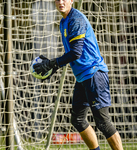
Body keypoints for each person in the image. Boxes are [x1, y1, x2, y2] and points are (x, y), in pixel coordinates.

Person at [33, 0, 123, 149]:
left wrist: (52, 63)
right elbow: (71, 52)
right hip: (83, 77)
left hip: (94, 74)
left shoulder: (76, 19)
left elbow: (75, 52)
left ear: (72, 1)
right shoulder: (64, 21)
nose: (61, 2)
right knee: (78, 120)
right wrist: (54, 67)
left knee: (103, 122)